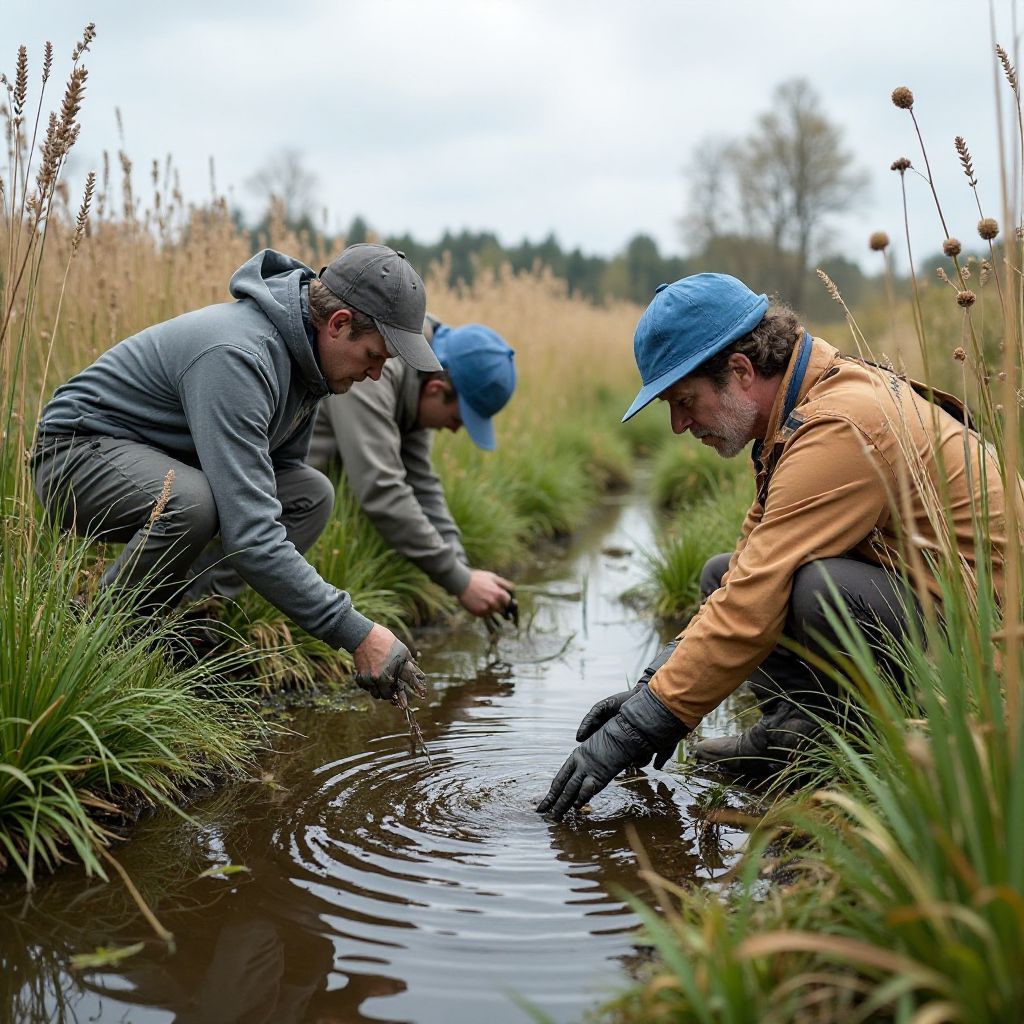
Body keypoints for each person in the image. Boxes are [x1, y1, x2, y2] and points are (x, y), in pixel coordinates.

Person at [537, 272, 1010, 820]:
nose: (677, 424)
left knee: (813, 589)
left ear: (740, 370)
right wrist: (652, 686)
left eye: (685, 400)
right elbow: (743, 572)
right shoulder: (803, 408)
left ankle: (856, 749)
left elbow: (756, 597)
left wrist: (639, 727)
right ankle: (794, 733)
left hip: (989, 654)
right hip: (937, 615)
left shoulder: (840, 425)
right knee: (720, 574)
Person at [32, 243, 441, 701]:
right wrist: (357, 633)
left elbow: (274, 483)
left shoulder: (310, 367)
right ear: (338, 324)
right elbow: (251, 536)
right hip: (76, 458)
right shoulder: (239, 355)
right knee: (190, 502)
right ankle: (95, 637)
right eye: (375, 356)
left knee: (309, 495)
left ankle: (183, 623)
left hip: (161, 464)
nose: (375, 375)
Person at [306, 316, 518, 626]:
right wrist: (460, 582)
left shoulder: (418, 378)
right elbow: (382, 489)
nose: (455, 430)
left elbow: (422, 484)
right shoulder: (377, 371)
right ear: (435, 388)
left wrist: (463, 569)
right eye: (458, 419)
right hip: (269, 493)